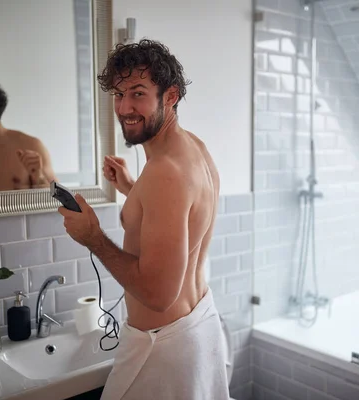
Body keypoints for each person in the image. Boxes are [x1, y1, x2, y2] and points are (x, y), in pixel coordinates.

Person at [57, 39, 230, 399]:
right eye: (119, 94)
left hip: (162, 348)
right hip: (197, 328)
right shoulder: (193, 148)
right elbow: (181, 214)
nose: (124, 107)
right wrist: (132, 189)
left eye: (138, 93)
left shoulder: (164, 173)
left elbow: (158, 294)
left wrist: (94, 237)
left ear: (170, 95)